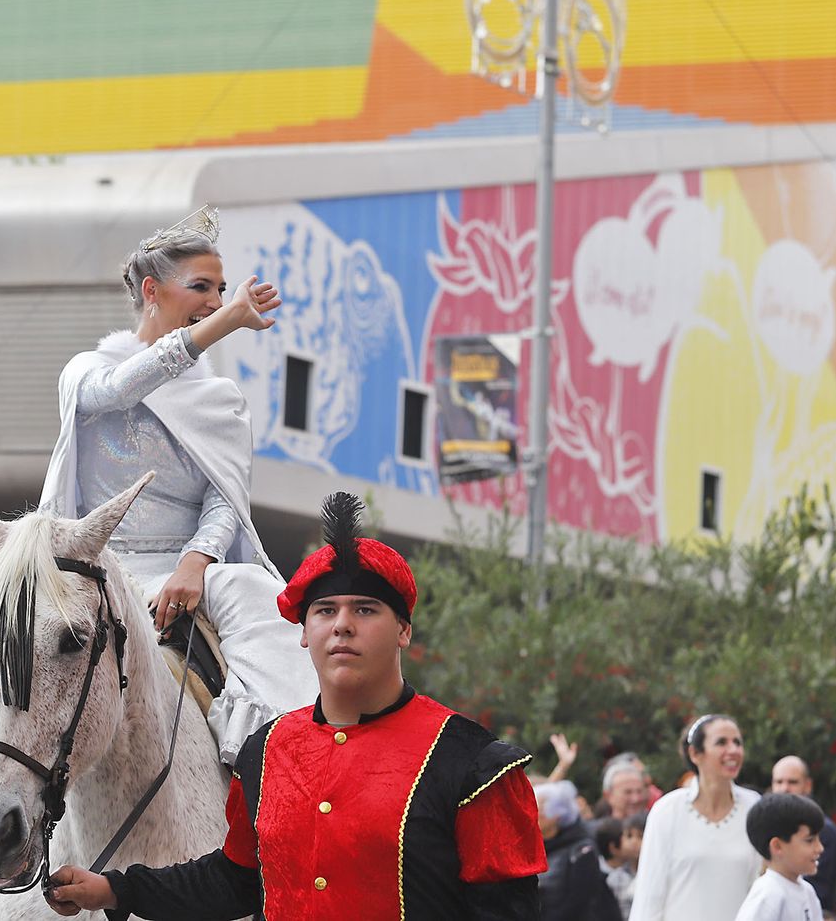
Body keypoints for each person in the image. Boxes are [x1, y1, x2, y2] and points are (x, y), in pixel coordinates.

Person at [45, 491, 547, 920]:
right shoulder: (264, 751)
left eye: (365, 610)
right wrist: (115, 890)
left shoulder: (475, 765)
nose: (342, 625)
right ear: (304, 634)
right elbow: (233, 879)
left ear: (404, 630)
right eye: (325, 611)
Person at [38, 207, 318, 764]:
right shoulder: (87, 370)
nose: (215, 301)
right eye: (201, 287)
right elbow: (120, 391)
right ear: (151, 290)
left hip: (184, 572)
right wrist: (230, 319)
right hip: (96, 571)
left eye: (221, 290)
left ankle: (283, 759)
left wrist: (196, 563)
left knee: (262, 595)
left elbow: (225, 500)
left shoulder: (221, 400)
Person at [630, 713, 762, 921]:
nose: (734, 750)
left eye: (737, 742)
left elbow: (761, 888)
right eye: (722, 742)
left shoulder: (754, 807)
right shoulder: (668, 810)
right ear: (695, 753)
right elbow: (649, 894)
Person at [536, 779, 621, 921]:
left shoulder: (582, 850)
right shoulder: (537, 849)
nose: (532, 815)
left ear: (555, 814)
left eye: (538, 809)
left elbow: (579, 902)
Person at [733, 793, 825, 921]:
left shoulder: (808, 892)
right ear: (777, 846)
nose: (820, 848)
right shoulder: (768, 895)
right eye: (809, 840)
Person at [772, 755, 836, 914]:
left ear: (808, 785)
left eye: (792, 782)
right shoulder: (767, 828)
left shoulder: (825, 832)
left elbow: (820, 892)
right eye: (779, 782)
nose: (784, 788)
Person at [594, 815, 642, 918]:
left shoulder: (630, 869)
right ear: (613, 848)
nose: (634, 842)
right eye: (628, 836)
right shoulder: (597, 876)